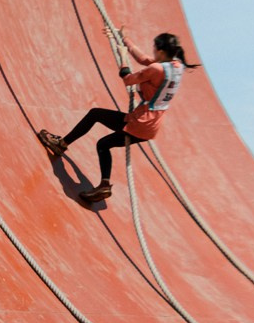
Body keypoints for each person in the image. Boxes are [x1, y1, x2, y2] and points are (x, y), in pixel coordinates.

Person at [38, 31, 191, 204]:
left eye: (155, 49)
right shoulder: (177, 66)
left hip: (140, 121)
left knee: (96, 119)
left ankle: (62, 145)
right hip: (151, 124)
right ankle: (103, 184)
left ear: (162, 52)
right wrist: (126, 40)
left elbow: (128, 79)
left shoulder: (157, 69)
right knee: (104, 142)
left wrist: (123, 57)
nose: (153, 51)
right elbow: (145, 60)